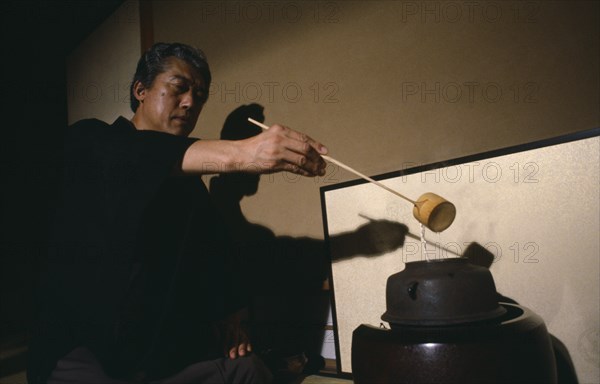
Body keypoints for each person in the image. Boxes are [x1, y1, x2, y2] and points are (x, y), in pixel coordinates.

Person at [27, 42, 328, 384]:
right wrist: (242, 153)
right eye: (179, 88)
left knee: (248, 371)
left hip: (156, 354)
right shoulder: (91, 140)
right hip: (83, 348)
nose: (190, 103)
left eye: (199, 96)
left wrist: (234, 314)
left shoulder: (190, 189)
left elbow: (218, 260)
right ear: (140, 90)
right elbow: (130, 157)